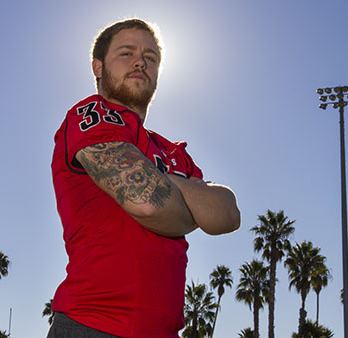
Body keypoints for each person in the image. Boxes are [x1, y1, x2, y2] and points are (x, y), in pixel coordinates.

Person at [49, 18, 240, 338]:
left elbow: (226, 215)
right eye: (127, 53)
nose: (140, 61)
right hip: (93, 325)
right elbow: (148, 202)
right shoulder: (90, 115)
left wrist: (158, 177)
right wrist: (189, 199)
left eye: (150, 57)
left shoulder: (172, 150)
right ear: (97, 67)